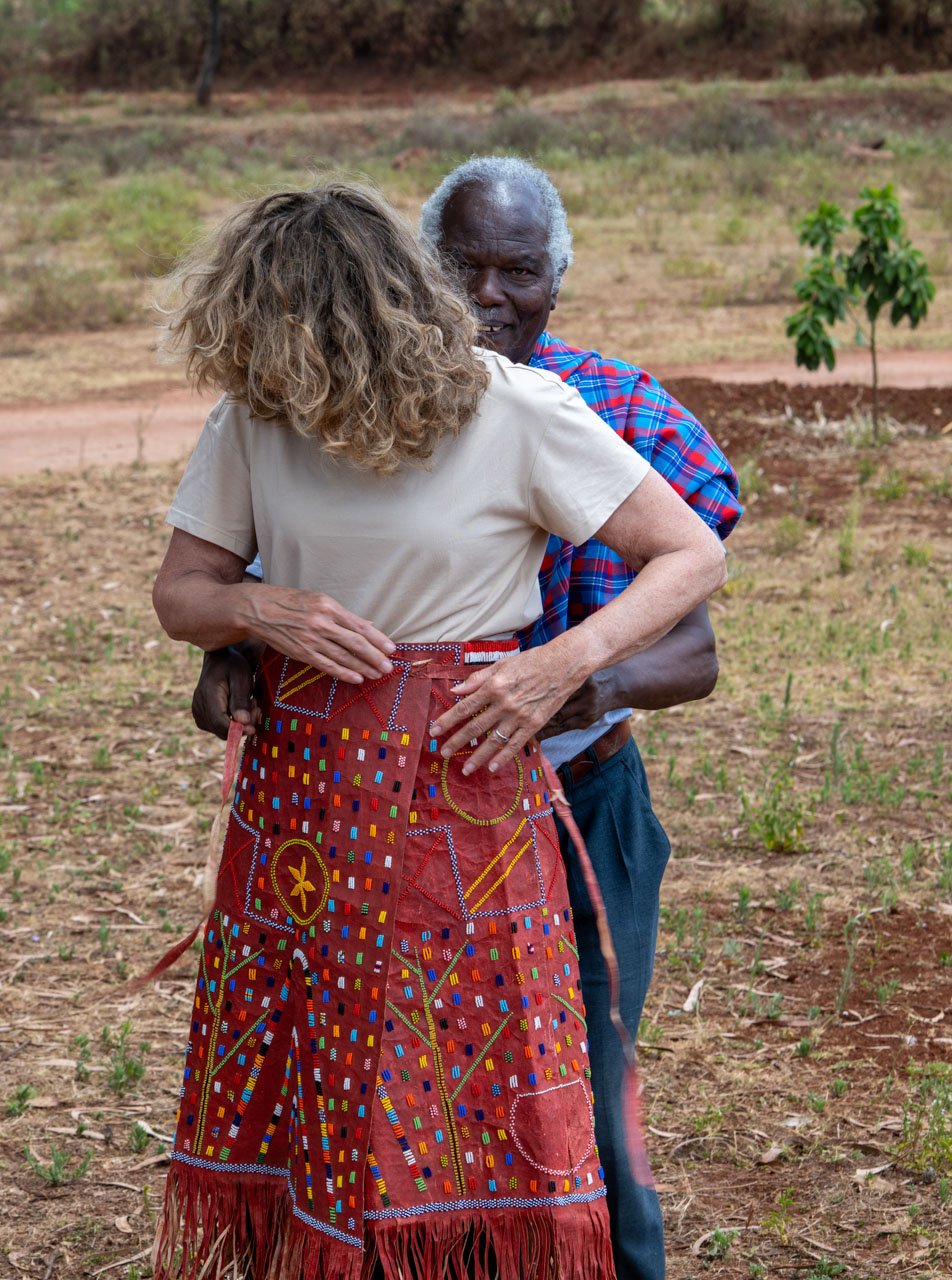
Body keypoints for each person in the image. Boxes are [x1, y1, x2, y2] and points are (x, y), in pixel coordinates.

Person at [149, 180, 726, 1280]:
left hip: (463, 788)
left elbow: (692, 552)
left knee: (475, 1075)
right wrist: (258, 607)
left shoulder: (513, 408)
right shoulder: (260, 411)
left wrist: (558, 662)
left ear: (367, 314)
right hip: (305, 799)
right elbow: (182, 590)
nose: (276, 370)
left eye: (297, 336)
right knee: (318, 1072)